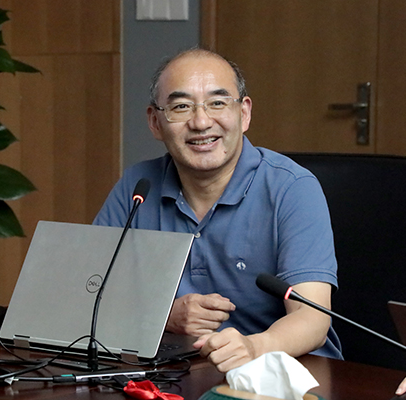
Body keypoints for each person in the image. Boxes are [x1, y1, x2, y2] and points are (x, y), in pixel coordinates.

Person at [93, 48, 342, 372]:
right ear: (155, 122)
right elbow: (90, 294)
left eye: (218, 103)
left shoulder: (292, 188)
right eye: (181, 107)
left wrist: (254, 347)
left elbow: (313, 318)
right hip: (179, 372)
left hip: (284, 374)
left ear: (244, 113)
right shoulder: (138, 186)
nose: (200, 122)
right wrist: (163, 316)